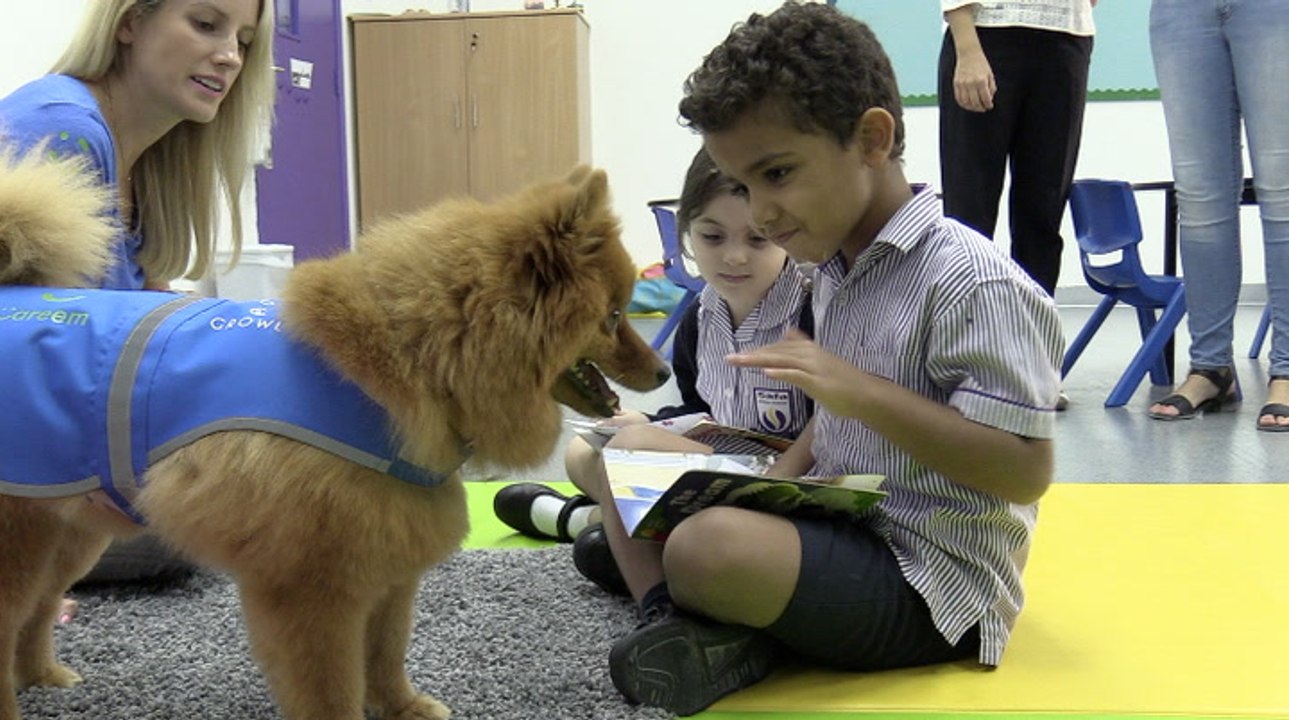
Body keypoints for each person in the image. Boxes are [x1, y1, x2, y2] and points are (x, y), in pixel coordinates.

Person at [590, 3, 1064, 715]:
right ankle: (678, 615)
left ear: (871, 139)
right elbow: (830, 423)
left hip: (929, 581)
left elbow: (1025, 471)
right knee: (620, 465)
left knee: (701, 548)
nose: (762, 212)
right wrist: (771, 486)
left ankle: (703, 612)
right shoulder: (835, 269)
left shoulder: (974, 281)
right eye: (743, 185)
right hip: (842, 523)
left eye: (776, 173)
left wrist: (858, 392)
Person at [0, 0, 277, 595]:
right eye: (205, 24)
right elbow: (23, 359)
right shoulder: (58, 129)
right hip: (21, 463)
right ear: (129, 22)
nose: (229, 55)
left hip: (53, 449)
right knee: (217, 517)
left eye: (244, 41)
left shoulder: (139, 162)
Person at [494, 147, 815, 579]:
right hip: (720, 462)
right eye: (712, 237)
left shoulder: (810, 310)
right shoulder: (700, 319)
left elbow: (832, 428)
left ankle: (578, 522)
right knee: (582, 454)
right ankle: (610, 525)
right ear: (686, 235)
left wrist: (780, 474)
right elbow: (699, 411)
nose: (734, 256)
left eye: (756, 239)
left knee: (631, 463)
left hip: (790, 481)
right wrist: (647, 421)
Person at [1145, 0, 1289, 431]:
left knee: (1282, 192)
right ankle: (1210, 369)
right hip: (1181, 10)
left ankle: (1286, 370)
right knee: (1199, 197)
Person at [938, 1, 1095, 298]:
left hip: (1067, 37)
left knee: (1043, 214)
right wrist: (967, 46)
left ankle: (1034, 336)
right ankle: (962, 335)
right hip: (985, 33)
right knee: (969, 212)